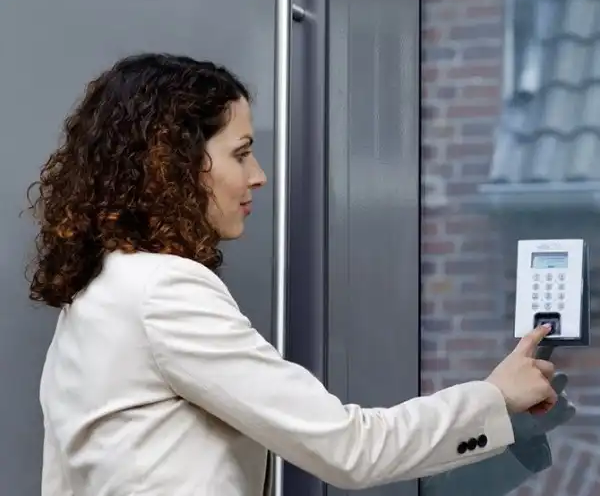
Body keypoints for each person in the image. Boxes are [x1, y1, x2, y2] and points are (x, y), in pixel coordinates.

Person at [29, 53, 563, 496]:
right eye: (241, 154)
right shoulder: (164, 291)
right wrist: (494, 397)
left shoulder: (100, 292)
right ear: (171, 164)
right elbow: (350, 448)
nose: (258, 175)